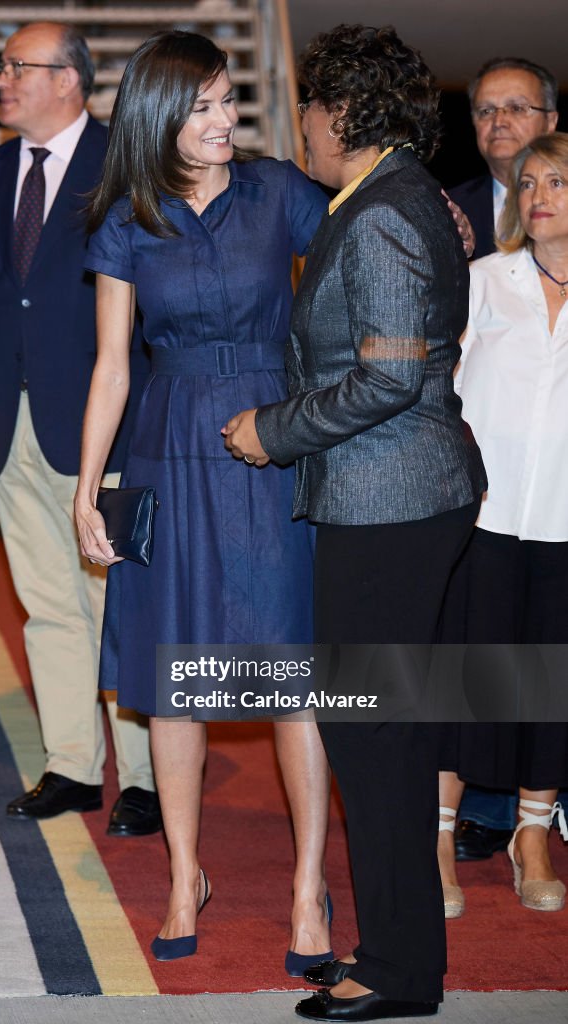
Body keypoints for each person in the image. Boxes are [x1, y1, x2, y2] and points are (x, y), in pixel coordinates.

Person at [224, 23, 486, 1021]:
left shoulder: (381, 213)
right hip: (401, 494)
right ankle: (396, 954)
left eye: (305, 106)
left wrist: (272, 431)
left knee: (374, 736)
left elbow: (383, 375)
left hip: (390, 499)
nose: (298, 123)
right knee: (381, 732)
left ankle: (398, 970)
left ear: (343, 112)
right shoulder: (394, 196)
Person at [74, 30, 334, 971]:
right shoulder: (124, 219)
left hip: (276, 443)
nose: (225, 120)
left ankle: (309, 888)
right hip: (170, 443)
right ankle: (187, 874)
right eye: (202, 107)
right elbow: (111, 367)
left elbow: (364, 260)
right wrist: (86, 490)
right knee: (176, 683)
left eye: (228, 101)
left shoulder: (280, 194)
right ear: (157, 117)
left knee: (292, 678)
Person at [0, 21, 160, 835]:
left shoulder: (124, 166)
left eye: (15, 67)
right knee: (48, 602)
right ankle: (73, 764)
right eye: (1, 67)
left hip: (103, 421)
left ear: (68, 79)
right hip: (13, 423)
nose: (1, 79)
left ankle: (144, 776)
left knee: (117, 598)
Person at [438, 133, 568, 918]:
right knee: (456, 684)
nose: (536, 194)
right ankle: (438, 837)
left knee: (548, 686)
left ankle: (529, 837)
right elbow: (433, 389)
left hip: (563, 524)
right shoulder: (484, 281)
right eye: (526, 184)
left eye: (555, 179)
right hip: (479, 521)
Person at [449, 57, 558, 260]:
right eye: (486, 111)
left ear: (550, 122)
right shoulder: (449, 209)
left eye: (517, 108)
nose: (499, 121)